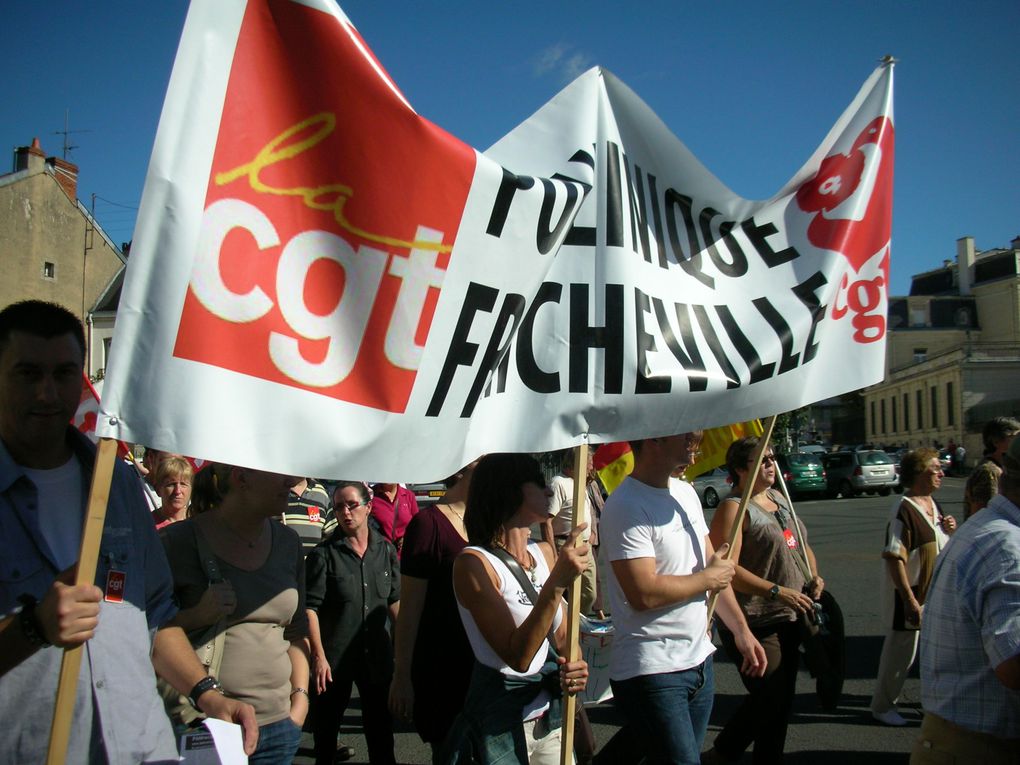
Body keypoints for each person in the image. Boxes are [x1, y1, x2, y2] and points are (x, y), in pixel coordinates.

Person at [0, 300, 257, 762]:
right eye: (27, 373)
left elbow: (154, 616)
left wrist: (207, 692)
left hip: (141, 747)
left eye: (63, 374)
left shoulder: (115, 483)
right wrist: (32, 628)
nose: (47, 393)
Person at [599, 432, 767, 765]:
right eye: (686, 432)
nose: (697, 438)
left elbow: (713, 570)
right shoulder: (625, 505)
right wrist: (707, 579)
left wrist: (741, 630)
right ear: (654, 440)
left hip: (699, 662)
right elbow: (642, 593)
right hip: (653, 671)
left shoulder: (686, 493)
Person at [445, 453, 591, 764]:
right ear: (509, 490)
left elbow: (563, 638)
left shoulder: (545, 553)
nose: (549, 491)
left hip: (549, 721)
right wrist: (556, 585)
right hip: (501, 728)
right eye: (538, 483)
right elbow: (519, 656)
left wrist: (575, 666)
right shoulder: (473, 564)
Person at [162, 462, 310, 764]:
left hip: (280, 727)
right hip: (206, 726)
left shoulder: (288, 542)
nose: (291, 480)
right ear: (241, 477)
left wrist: (300, 700)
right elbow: (145, 631)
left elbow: (295, 632)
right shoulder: (176, 542)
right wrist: (196, 616)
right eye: (279, 471)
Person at [704, 437, 825, 762]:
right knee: (768, 697)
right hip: (756, 620)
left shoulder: (778, 499)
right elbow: (726, 570)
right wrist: (775, 590)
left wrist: (814, 575)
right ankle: (720, 753)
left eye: (773, 457)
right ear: (742, 470)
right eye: (765, 460)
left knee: (781, 703)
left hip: (792, 616)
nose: (772, 464)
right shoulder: (735, 508)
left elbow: (799, 544)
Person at [912, 437, 1020, 763]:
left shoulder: (987, 528)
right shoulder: (1008, 548)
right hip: (980, 748)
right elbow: (1014, 666)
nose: (940, 473)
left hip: (956, 738)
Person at [306, 481, 400, 765]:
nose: (345, 513)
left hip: (377, 658)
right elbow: (310, 609)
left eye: (351, 505)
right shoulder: (324, 555)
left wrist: (405, 649)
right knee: (325, 738)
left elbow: (395, 600)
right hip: (334, 662)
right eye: (338, 507)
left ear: (368, 507)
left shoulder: (384, 550)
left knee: (382, 738)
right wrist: (318, 657)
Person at [389, 461, 475, 755]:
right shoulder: (428, 525)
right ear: (463, 469)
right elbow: (409, 610)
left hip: (483, 669)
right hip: (443, 670)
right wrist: (402, 675)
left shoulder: (487, 522)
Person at [870, 447, 957, 726]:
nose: (941, 473)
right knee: (900, 654)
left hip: (935, 595)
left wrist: (950, 529)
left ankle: (933, 705)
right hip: (911, 595)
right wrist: (908, 600)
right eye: (935, 469)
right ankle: (883, 706)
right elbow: (895, 557)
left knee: (935, 655)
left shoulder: (932, 504)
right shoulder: (903, 509)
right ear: (919, 473)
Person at [541, 449, 598, 616]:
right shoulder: (558, 483)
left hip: (585, 546)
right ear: (576, 463)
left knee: (589, 593)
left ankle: (577, 624)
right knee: (564, 592)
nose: (591, 468)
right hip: (564, 544)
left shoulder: (580, 483)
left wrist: (591, 533)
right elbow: (546, 521)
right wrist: (552, 552)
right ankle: (565, 628)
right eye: (589, 464)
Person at [280, 476, 333, 555]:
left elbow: (331, 533)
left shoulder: (321, 493)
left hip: (314, 565)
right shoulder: (277, 490)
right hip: (284, 563)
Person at [370, 481, 420, 555]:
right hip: (381, 554)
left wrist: (407, 537)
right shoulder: (371, 496)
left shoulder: (409, 495)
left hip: (405, 555)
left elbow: (418, 525)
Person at [152, 455, 194, 529]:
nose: (177, 491)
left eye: (183, 484)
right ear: (158, 489)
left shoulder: (199, 522)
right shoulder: (146, 523)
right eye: (171, 484)